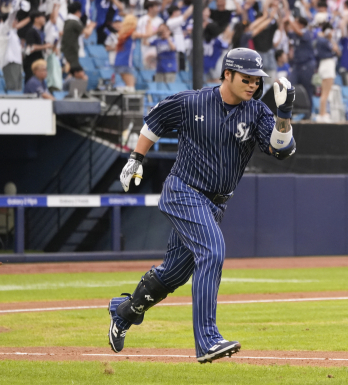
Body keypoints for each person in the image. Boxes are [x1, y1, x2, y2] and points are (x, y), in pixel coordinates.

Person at [108, 48, 296, 363]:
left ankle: (124, 311)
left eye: (256, 80)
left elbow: (282, 151)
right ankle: (207, 340)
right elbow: (153, 121)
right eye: (246, 79)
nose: (252, 85)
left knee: (172, 276)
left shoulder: (258, 112)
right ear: (227, 75)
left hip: (214, 205)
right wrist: (135, 158)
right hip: (183, 191)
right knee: (212, 251)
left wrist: (284, 114)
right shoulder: (193, 101)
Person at [315, 22, 339, 123]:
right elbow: (335, 49)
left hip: (327, 65)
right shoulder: (323, 40)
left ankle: (323, 113)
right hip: (327, 64)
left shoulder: (323, 40)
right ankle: (322, 115)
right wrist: (329, 38)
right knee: (325, 92)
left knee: (326, 92)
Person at [60, 1, 95, 69]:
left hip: (70, 48)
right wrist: (92, 26)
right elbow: (87, 33)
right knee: (73, 69)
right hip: (71, 49)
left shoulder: (69, 21)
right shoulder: (74, 22)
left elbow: (85, 36)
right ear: (77, 11)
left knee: (72, 68)